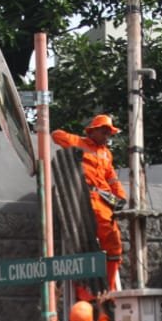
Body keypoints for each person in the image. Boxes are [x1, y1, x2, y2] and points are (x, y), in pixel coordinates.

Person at [52, 114, 126, 290]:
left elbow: (112, 178)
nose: (107, 137)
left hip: (104, 201)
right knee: (86, 244)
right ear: (92, 131)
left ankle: (109, 287)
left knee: (114, 245)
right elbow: (56, 134)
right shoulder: (80, 143)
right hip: (87, 199)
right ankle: (86, 289)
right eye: (104, 132)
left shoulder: (107, 154)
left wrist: (121, 197)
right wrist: (76, 143)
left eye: (109, 133)